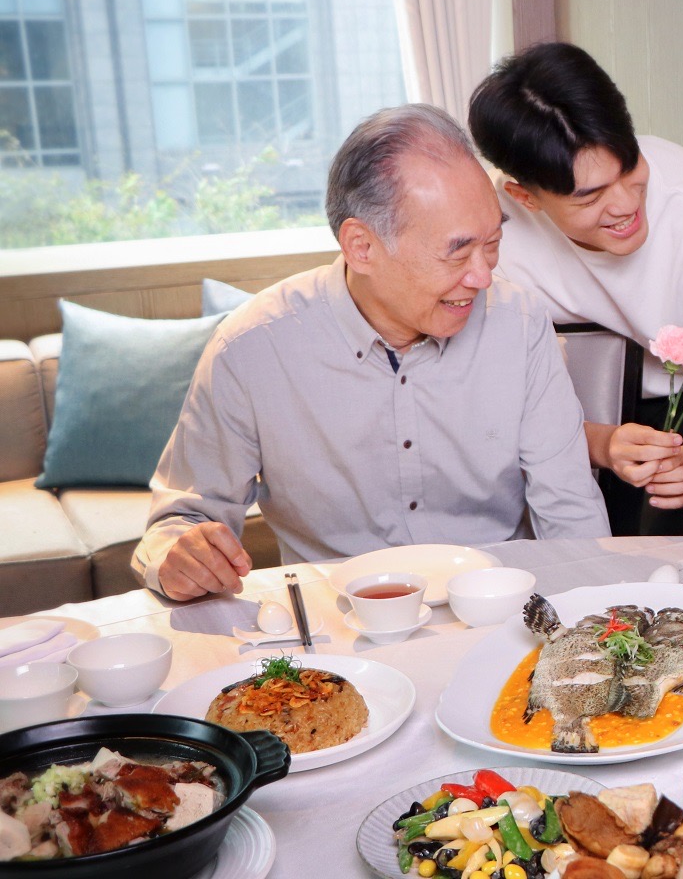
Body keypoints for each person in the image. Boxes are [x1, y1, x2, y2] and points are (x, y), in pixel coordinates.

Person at [132, 104, 609, 601]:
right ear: (361, 246)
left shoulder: (521, 323)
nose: (482, 276)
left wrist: (598, 623)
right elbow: (181, 518)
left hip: (496, 614)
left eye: (492, 244)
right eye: (457, 251)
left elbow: (569, 510)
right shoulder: (253, 347)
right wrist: (177, 557)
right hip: (333, 631)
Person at [468, 42, 683, 535]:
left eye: (629, 169)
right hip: (559, 412)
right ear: (525, 196)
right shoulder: (486, 230)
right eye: (589, 196)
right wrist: (596, 442)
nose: (624, 206)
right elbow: (488, 389)